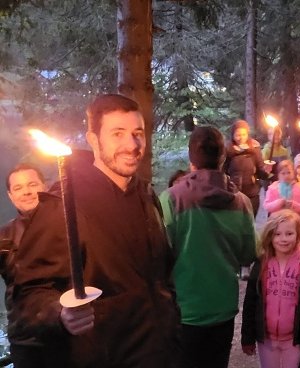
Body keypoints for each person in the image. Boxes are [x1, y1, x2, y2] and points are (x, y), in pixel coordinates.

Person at [11, 94, 185, 367]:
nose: (132, 144)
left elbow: (160, 278)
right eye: (118, 133)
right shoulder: (63, 206)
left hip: (160, 353)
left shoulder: (145, 194)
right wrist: (59, 312)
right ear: (93, 140)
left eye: (137, 133)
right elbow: (28, 294)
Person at [159, 126, 257, 368]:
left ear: (191, 158)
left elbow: (159, 256)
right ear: (223, 157)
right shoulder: (242, 202)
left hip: (184, 310)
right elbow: (248, 254)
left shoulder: (171, 199)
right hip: (222, 307)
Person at [241, 209, 300, 368]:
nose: (283, 239)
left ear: (298, 235)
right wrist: (247, 337)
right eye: (277, 234)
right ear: (269, 236)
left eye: (289, 233)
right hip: (267, 339)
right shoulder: (261, 265)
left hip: (295, 340)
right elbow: (250, 303)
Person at [0, 164, 50, 367]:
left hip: (75, 332)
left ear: (45, 187)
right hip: (26, 338)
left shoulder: (71, 225)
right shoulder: (4, 236)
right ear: (10, 196)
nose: (27, 192)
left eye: (32, 184)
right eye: (18, 188)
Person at [224, 119, 271, 216]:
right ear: (233, 135)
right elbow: (223, 171)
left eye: (244, 134)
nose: (241, 138)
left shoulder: (254, 149)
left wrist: (267, 171)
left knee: (250, 221)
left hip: (252, 193)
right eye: (238, 135)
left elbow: (261, 171)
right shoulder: (228, 151)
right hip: (235, 193)